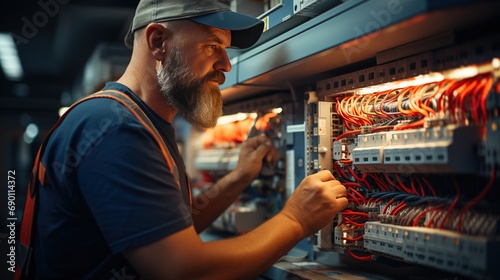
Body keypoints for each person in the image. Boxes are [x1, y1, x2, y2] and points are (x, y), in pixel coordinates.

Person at [30, 0, 348, 279]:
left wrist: (238, 177)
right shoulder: (115, 128)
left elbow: (164, 231)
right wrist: (295, 220)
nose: (225, 65)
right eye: (212, 46)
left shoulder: (137, 120)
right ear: (158, 41)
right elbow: (184, 271)